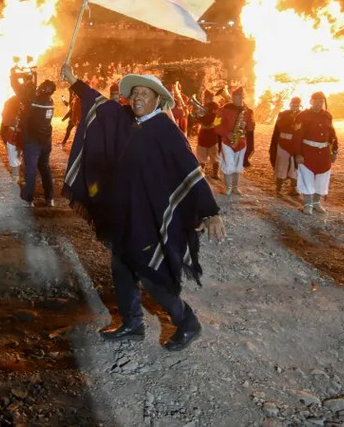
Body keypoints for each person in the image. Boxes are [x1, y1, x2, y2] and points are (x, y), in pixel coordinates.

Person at [61, 63, 225, 351]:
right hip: (126, 214)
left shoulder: (165, 130)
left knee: (151, 273)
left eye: (144, 93)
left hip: (149, 217)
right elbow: (102, 106)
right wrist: (75, 81)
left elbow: (190, 170)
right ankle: (132, 324)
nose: (137, 98)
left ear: (157, 100)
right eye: (134, 93)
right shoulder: (129, 121)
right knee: (121, 267)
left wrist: (210, 211)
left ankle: (187, 321)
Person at [293, 92, 339, 215]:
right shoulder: (302, 116)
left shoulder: (327, 116)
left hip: (323, 152)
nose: (319, 104)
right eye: (316, 101)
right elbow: (297, 136)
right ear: (311, 101)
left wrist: (334, 150)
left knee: (322, 178)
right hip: (308, 152)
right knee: (306, 177)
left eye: (321, 101)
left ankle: (316, 202)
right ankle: (307, 204)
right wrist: (298, 154)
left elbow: (332, 134)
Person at [20, 80, 56, 207]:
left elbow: (23, 99)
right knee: (45, 168)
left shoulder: (36, 102)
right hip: (46, 141)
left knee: (30, 170)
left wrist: (25, 85)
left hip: (33, 140)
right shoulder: (50, 102)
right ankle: (50, 197)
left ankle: (29, 199)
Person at [216, 87, 254, 196]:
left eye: (242, 97)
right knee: (228, 164)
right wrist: (227, 134)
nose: (240, 99)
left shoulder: (248, 111)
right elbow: (216, 125)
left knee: (238, 165)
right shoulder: (223, 110)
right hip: (227, 141)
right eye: (237, 97)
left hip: (241, 142)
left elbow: (251, 128)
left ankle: (235, 187)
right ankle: (227, 187)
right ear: (233, 97)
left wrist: (246, 125)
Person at [269, 97, 302, 197]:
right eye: (293, 104)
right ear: (290, 104)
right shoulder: (283, 114)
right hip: (283, 143)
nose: (295, 106)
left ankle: (294, 187)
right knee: (281, 166)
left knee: (295, 167)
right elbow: (279, 127)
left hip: (295, 144)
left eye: (297, 104)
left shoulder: (303, 116)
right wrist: (291, 119)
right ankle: (279, 188)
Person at [195, 98, 221, 179]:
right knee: (215, 157)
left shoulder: (204, 115)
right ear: (213, 109)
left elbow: (198, 120)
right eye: (216, 109)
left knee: (202, 158)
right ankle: (215, 174)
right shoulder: (217, 116)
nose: (217, 110)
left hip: (203, 137)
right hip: (213, 138)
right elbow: (217, 125)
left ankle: (201, 173)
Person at [0, 92, 23, 182]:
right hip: (22, 134)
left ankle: (16, 178)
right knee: (18, 156)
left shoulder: (10, 102)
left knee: (14, 157)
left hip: (13, 134)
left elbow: (5, 119)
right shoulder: (29, 100)